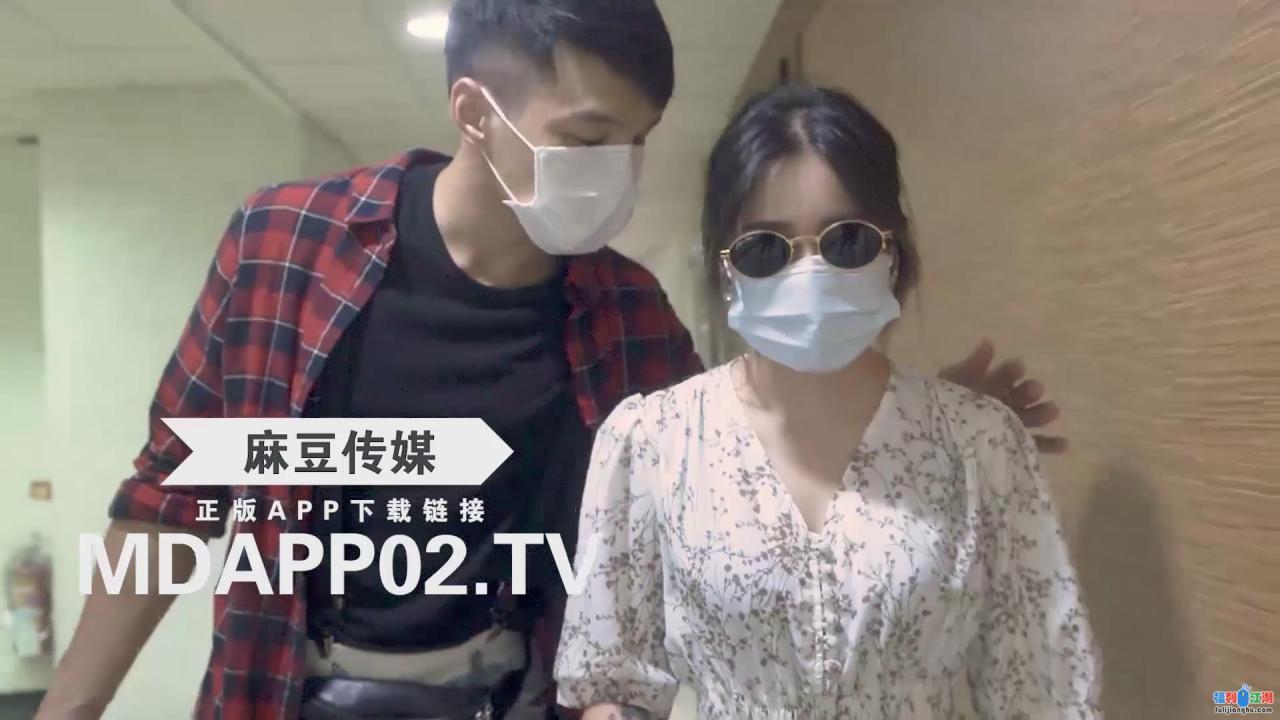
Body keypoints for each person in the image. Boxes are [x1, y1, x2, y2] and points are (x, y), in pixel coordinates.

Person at [37, 3, 1067, 719]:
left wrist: (903, 420)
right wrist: (72, 707)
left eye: (639, 137)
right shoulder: (286, 245)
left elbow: (733, 459)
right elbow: (177, 492)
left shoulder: (625, 312)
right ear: (474, 114)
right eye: (588, 135)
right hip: (286, 688)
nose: (620, 169)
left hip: (511, 695)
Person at [554, 84, 1101, 719]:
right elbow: (611, 680)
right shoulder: (651, 441)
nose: (809, 273)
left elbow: (1043, 691)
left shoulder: (980, 441)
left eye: (847, 241)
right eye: (766, 247)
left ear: (892, 250)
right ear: (726, 266)